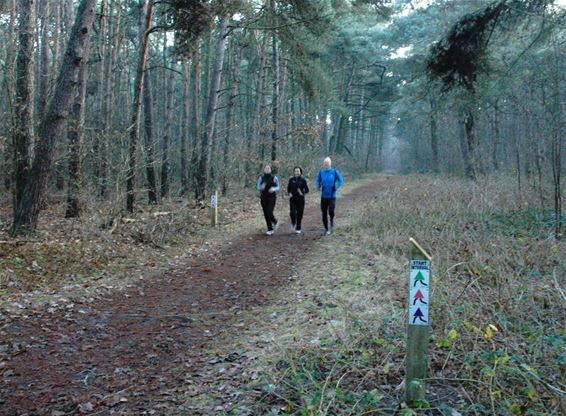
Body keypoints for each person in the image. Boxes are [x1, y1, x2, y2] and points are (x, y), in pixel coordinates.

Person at [315, 157, 344, 236]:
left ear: (330, 164)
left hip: (332, 196)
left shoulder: (334, 172)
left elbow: (341, 180)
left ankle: (332, 221)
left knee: (331, 211)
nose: (326, 164)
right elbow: (317, 180)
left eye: (327, 163)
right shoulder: (321, 172)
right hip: (323, 196)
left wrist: (336, 186)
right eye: (325, 163)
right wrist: (318, 186)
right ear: (323, 164)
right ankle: (326, 228)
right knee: (324, 213)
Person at [257, 163, 280, 235]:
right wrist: (261, 187)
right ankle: (270, 229)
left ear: (271, 170)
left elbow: (278, 187)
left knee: (269, 212)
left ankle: (275, 221)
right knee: (265, 213)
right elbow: (258, 187)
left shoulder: (274, 178)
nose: (267, 169)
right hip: (263, 197)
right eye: (266, 168)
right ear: (264, 170)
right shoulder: (261, 178)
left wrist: (273, 189)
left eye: (268, 168)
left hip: (272, 197)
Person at [287, 166, 309, 234]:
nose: (297, 172)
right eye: (295, 171)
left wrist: (302, 193)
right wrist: (289, 193)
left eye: (298, 171)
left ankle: (298, 227)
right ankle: (293, 223)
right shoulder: (291, 180)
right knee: (292, 213)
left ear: (300, 172)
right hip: (292, 199)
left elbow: (307, 190)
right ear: (294, 172)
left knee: (300, 214)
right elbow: (288, 189)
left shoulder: (303, 180)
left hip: (301, 199)